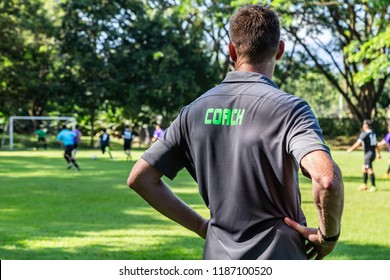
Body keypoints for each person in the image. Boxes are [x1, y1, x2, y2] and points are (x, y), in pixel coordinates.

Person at [127, 4, 344, 260]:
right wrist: (328, 236)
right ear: (280, 50)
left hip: (217, 257)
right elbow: (326, 177)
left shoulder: (194, 111)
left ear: (232, 50)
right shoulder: (290, 109)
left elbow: (140, 178)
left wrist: (200, 226)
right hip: (280, 256)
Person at [347, 119, 381, 192]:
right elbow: (376, 144)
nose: (363, 126)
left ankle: (373, 186)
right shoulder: (373, 133)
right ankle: (364, 185)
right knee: (364, 168)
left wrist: (350, 149)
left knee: (369, 169)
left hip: (368, 154)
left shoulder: (364, 133)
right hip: (373, 153)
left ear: (366, 125)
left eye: (363, 124)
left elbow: (358, 143)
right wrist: (378, 154)